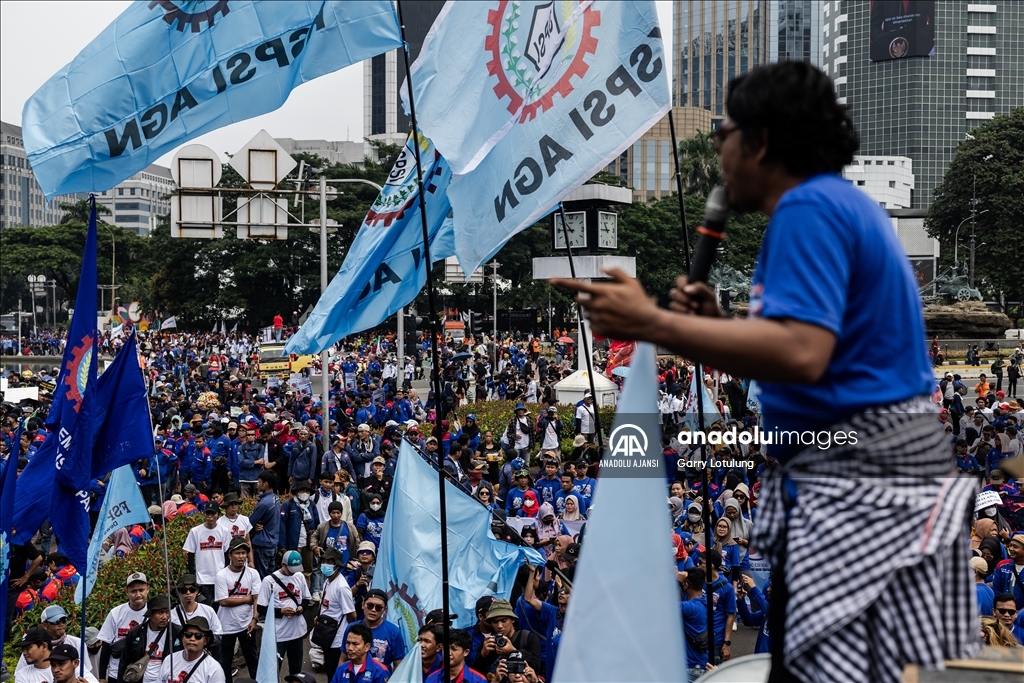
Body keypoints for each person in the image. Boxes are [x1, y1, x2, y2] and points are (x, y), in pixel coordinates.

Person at [553, 60, 979, 683]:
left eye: (725, 129)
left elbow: (802, 353)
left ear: (761, 139)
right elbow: (816, 356)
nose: (719, 147)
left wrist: (652, 322)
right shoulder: (837, 205)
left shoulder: (808, 209)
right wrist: (718, 331)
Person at [257, 551, 312, 676]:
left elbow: (306, 599)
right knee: (273, 670)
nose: (293, 571)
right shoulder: (269, 581)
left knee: (296, 671)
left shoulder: (299, 576)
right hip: (278, 634)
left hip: (297, 632)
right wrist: (280, 611)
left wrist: (301, 608)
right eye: (291, 568)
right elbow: (261, 608)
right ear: (283, 564)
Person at [215, 538, 261, 683]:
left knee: (252, 659)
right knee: (225, 662)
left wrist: (254, 619)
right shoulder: (221, 575)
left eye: (243, 553)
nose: (241, 556)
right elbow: (223, 601)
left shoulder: (253, 574)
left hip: (247, 624)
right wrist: (246, 599)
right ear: (230, 555)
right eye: (237, 553)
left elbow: (257, 598)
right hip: (226, 626)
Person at [98, 572, 150, 683]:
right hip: (116, 673)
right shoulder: (115, 613)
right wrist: (102, 677)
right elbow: (106, 645)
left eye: (141, 590)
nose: (138, 594)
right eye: (133, 591)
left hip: (142, 673)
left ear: (148, 589)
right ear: (126, 591)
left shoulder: (153, 614)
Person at [116, 597, 182, 683]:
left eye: (167, 612)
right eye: (160, 612)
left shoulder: (177, 632)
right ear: (150, 614)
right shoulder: (136, 632)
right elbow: (125, 661)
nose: (165, 617)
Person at [15, 606, 92, 678]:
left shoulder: (78, 643)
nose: (61, 624)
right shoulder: (34, 648)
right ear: (44, 625)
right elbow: (19, 673)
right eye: (56, 621)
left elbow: (87, 671)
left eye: (63, 620)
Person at [316, 548, 357, 680]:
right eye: (324, 561)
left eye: (329, 562)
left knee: (335, 675)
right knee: (329, 671)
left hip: (337, 640)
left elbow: (352, 615)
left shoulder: (341, 587)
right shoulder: (328, 581)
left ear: (337, 565)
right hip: (326, 635)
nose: (325, 564)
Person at [473, 599, 543, 676]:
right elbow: (475, 675)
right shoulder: (489, 643)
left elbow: (535, 669)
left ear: (512, 619)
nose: (499, 626)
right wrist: (483, 655)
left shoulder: (528, 638)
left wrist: (512, 651)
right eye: (495, 622)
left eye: (503, 620)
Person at [340, 589, 404, 671]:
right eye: (370, 605)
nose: (373, 610)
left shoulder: (394, 632)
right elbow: (343, 659)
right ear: (363, 605)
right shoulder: (351, 628)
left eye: (378, 607)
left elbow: (398, 666)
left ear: (384, 610)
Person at [183, 505, 230, 605]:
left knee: (219, 606)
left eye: (213, 514)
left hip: (219, 576)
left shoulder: (224, 531)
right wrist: (193, 575)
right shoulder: (195, 531)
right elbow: (190, 554)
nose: (210, 517)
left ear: (218, 515)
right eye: (207, 514)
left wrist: (226, 573)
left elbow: (227, 554)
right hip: (202, 578)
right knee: (205, 606)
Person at [156, 617, 224, 683]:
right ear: (182, 637)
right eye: (188, 634)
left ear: (206, 640)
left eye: (198, 636)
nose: (192, 639)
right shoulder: (169, 660)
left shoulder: (213, 668)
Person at [677, 567, 710, 681]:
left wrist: (677, 581)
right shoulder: (705, 600)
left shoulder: (690, 608)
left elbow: (663, 605)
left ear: (686, 585)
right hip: (701, 663)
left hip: (689, 667)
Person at [248, 471, 281, 578]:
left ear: (266, 484)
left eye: (259, 482)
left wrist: (253, 527)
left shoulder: (264, 503)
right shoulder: (275, 498)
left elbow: (249, 523)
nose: (258, 484)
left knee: (261, 578)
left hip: (262, 545)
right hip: (272, 543)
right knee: (270, 577)